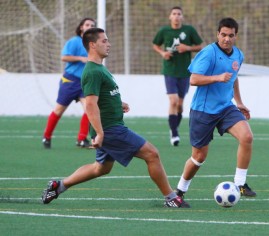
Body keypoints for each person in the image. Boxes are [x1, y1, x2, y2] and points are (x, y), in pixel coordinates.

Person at [41, 27, 189, 208]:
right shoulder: (93, 71)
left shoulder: (99, 69)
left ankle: (58, 186)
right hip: (110, 129)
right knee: (152, 154)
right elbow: (90, 104)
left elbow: (101, 96)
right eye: (104, 41)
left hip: (110, 126)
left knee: (101, 168)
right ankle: (171, 198)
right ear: (92, 45)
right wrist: (100, 133)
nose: (108, 44)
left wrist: (118, 103)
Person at [175, 17, 256, 204]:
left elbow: (234, 78)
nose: (227, 39)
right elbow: (194, 79)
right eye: (223, 35)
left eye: (231, 35)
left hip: (226, 107)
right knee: (199, 157)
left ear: (236, 36)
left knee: (247, 137)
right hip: (203, 111)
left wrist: (239, 102)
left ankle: (240, 184)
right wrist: (217, 77)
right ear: (217, 34)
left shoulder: (238, 55)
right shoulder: (208, 53)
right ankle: (179, 191)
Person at [152, 6, 203, 146]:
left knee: (180, 105)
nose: (176, 16)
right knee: (173, 101)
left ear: (182, 17)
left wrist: (187, 48)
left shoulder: (189, 30)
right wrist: (163, 53)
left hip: (185, 72)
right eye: (174, 14)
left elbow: (200, 46)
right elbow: (155, 45)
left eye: (179, 14)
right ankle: (174, 133)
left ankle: (174, 126)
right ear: (170, 17)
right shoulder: (164, 31)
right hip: (169, 71)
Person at [42, 18, 96, 149]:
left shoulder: (94, 44)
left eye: (92, 25)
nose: (90, 26)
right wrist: (80, 58)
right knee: (59, 110)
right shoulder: (74, 41)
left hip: (85, 82)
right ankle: (46, 137)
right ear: (81, 27)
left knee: (89, 109)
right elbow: (64, 57)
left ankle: (82, 139)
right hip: (70, 81)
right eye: (87, 24)